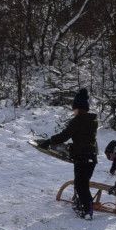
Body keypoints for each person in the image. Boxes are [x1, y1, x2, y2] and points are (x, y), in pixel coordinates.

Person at [39, 88, 99, 218]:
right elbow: (86, 139)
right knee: (83, 183)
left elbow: (64, 135)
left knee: (80, 184)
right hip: (91, 157)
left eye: (74, 108)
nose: (73, 111)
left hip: (82, 157)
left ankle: (87, 210)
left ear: (78, 107)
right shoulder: (92, 121)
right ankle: (81, 203)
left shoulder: (78, 120)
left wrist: (49, 141)